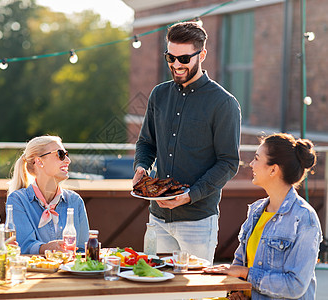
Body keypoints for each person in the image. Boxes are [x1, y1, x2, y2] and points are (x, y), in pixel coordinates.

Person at [133, 21, 241, 262]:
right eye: (170, 58)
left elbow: (228, 162)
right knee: (155, 290)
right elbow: (146, 143)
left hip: (198, 221)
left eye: (184, 59)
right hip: (157, 218)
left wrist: (191, 194)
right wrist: (141, 166)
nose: (176, 65)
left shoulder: (224, 103)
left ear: (202, 54)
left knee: (195, 296)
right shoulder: (158, 94)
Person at [204, 133, 322, 299]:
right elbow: (239, 263)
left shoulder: (304, 218)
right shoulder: (256, 210)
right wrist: (237, 291)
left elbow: (295, 286)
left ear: (273, 169)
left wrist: (246, 273)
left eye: (257, 158)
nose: (251, 164)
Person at [7, 136, 89, 255]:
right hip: (34, 273)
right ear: (39, 161)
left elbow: (82, 250)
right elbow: (22, 247)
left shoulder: (75, 201)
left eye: (67, 154)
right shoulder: (17, 200)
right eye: (60, 154)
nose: (67, 160)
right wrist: (46, 248)